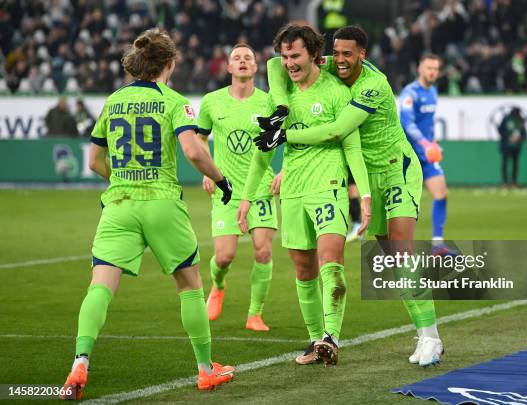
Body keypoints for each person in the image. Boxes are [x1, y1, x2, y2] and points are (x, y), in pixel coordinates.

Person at [60, 28, 234, 400]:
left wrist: (120, 179)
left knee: (100, 287)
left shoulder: (114, 100)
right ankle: (206, 370)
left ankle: (80, 361)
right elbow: (193, 151)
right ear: (170, 63)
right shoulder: (174, 101)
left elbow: (94, 161)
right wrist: (222, 181)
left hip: (119, 206)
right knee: (189, 286)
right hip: (161, 203)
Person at [257, 26, 443, 367]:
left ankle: (430, 337)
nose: (340, 60)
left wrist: (285, 135)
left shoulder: (374, 85)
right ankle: (328, 337)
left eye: (348, 54)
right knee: (390, 258)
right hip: (365, 173)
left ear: (363, 55)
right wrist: (282, 106)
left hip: (395, 169)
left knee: (401, 254)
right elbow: (273, 64)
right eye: (336, 53)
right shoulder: (329, 64)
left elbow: (338, 130)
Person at [238, 23, 372, 366]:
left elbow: (352, 146)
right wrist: (247, 197)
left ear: (315, 54)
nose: (289, 63)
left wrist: (366, 196)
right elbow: (263, 151)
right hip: (293, 187)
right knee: (303, 268)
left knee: (332, 262)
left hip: (327, 183)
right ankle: (316, 339)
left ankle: (332, 337)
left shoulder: (334, 91)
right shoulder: (280, 94)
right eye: (284, 57)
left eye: (295, 55)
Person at [197, 43, 276, 332]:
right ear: (228, 68)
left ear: (255, 68)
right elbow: (200, 138)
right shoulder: (211, 102)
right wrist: (207, 170)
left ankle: (255, 314)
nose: (242, 62)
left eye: (248, 58)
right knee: (224, 256)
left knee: (263, 251)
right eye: (236, 58)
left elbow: (287, 140)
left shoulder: (269, 102)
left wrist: (284, 171)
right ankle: (218, 286)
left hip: (261, 189)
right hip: (226, 190)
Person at [399, 53, 457, 256]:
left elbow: (428, 124)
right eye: (429, 68)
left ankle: (438, 245)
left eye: (436, 68)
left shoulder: (432, 91)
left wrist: (433, 142)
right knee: (405, 205)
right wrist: (424, 143)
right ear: (420, 69)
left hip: (427, 154)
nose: (432, 72)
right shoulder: (410, 93)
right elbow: (407, 123)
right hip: (409, 155)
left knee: (441, 193)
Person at [498, 106, 527, 186]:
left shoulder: (520, 120)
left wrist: (519, 138)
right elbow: (500, 130)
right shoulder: (506, 119)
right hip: (506, 146)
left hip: (516, 146)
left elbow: (524, 133)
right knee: (505, 164)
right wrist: (508, 137)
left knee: (515, 164)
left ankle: (514, 182)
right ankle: (505, 182)